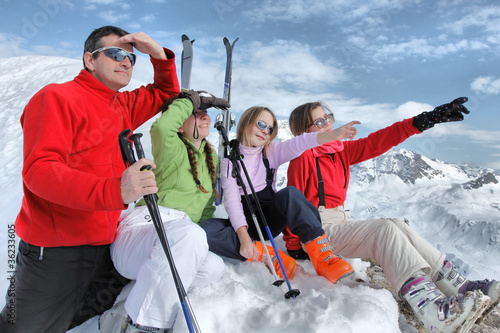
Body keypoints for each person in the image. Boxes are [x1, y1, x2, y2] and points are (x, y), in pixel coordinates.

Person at [0, 26, 180, 333]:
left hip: (105, 245)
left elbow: (165, 93)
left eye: (131, 58)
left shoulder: (121, 105)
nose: (126, 62)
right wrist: (116, 190)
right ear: (89, 59)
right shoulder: (56, 97)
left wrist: (159, 56)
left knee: (84, 319)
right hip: (55, 253)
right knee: (20, 328)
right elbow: (40, 171)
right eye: (115, 53)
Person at [285, 98, 499, 333]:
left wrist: (423, 120)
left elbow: (380, 140)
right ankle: (430, 310)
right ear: (304, 131)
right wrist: (295, 245)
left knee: (396, 224)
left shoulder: (340, 152)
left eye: (327, 117)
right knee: (383, 231)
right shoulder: (302, 157)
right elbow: (292, 203)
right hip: (318, 232)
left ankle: (460, 286)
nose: (327, 124)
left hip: (341, 224)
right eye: (318, 121)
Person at [104, 91, 230, 332]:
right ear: (180, 126)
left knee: (214, 267)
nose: (203, 115)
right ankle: (142, 326)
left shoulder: (210, 156)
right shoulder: (170, 147)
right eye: (195, 113)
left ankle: (126, 308)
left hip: (178, 237)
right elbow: (162, 127)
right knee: (189, 237)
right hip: (143, 229)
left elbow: (204, 212)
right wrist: (189, 101)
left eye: (205, 112)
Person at [200, 106, 360, 284]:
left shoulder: (272, 152)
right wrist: (244, 239)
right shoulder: (229, 164)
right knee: (204, 230)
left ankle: (323, 257)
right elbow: (232, 202)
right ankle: (263, 254)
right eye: (261, 124)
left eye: (269, 129)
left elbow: (302, 142)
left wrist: (333, 135)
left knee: (290, 193)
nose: (265, 131)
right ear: (246, 122)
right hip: (245, 225)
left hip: (270, 219)